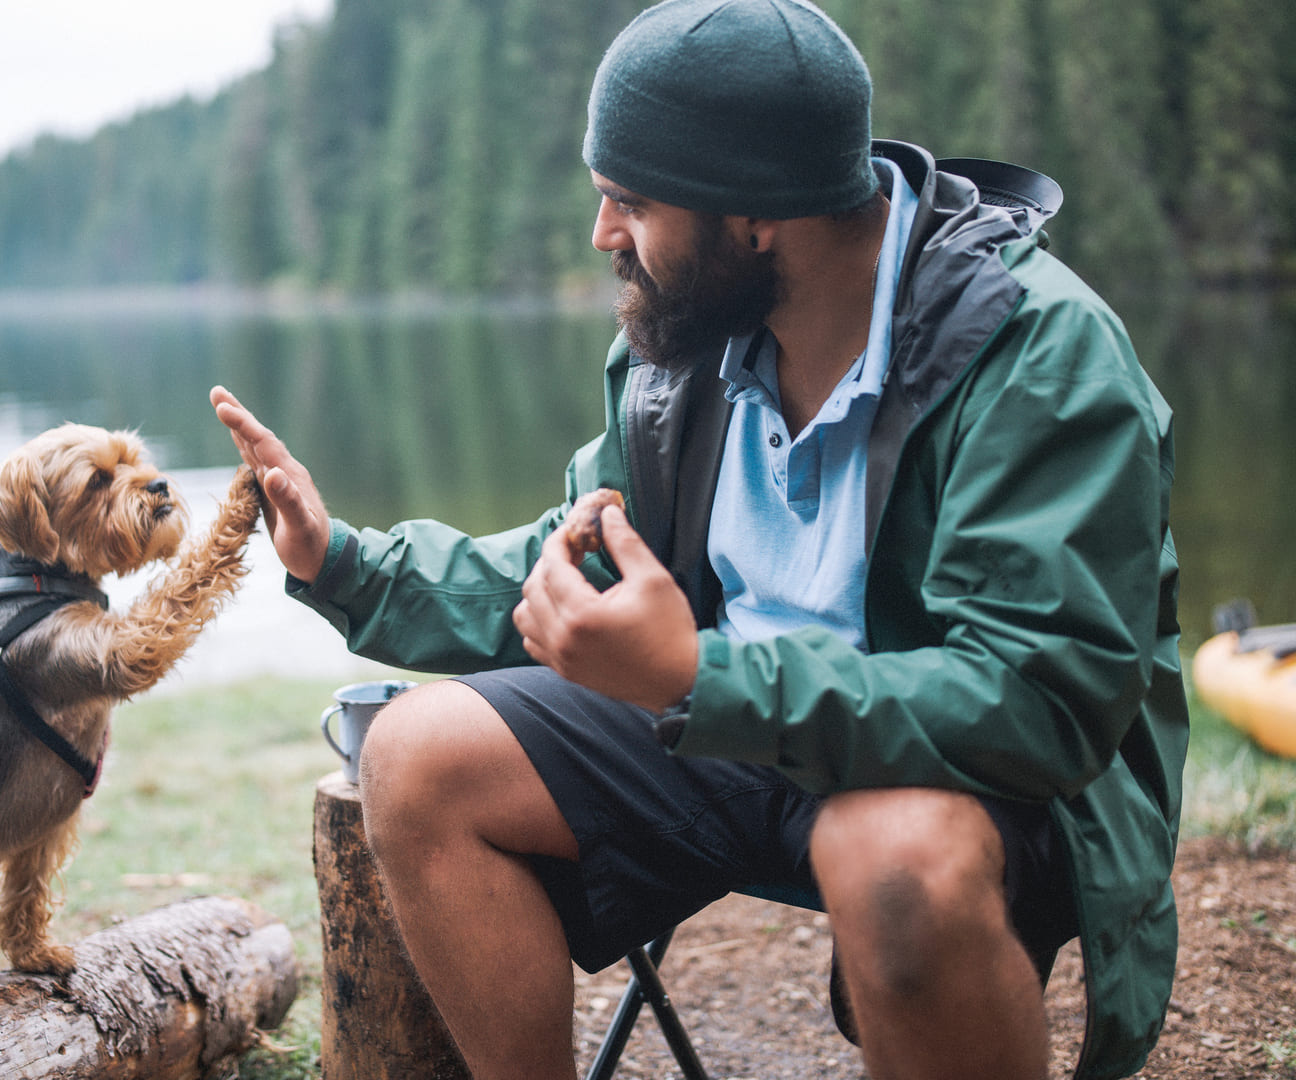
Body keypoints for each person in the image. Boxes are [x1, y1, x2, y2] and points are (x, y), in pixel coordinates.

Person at [211, 1, 1185, 1077]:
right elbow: (569, 563)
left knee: (889, 856)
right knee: (416, 756)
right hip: (727, 730)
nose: (603, 236)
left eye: (629, 201)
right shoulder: (692, 339)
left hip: (968, 779)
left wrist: (696, 674)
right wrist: (340, 561)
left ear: (757, 214)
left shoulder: (1036, 354)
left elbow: (1037, 705)